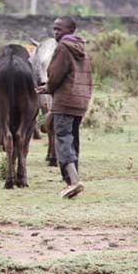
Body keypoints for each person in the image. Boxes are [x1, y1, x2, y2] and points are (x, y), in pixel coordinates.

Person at [36, 16, 92, 198]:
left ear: (69, 30)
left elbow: (55, 73)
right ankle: (71, 182)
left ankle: (74, 181)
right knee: (73, 139)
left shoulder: (63, 48)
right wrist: (49, 87)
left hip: (65, 100)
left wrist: (48, 88)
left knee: (62, 138)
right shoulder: (82, 48)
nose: (55, 33)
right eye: (54, 29)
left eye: (59, 29)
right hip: (80, 100)